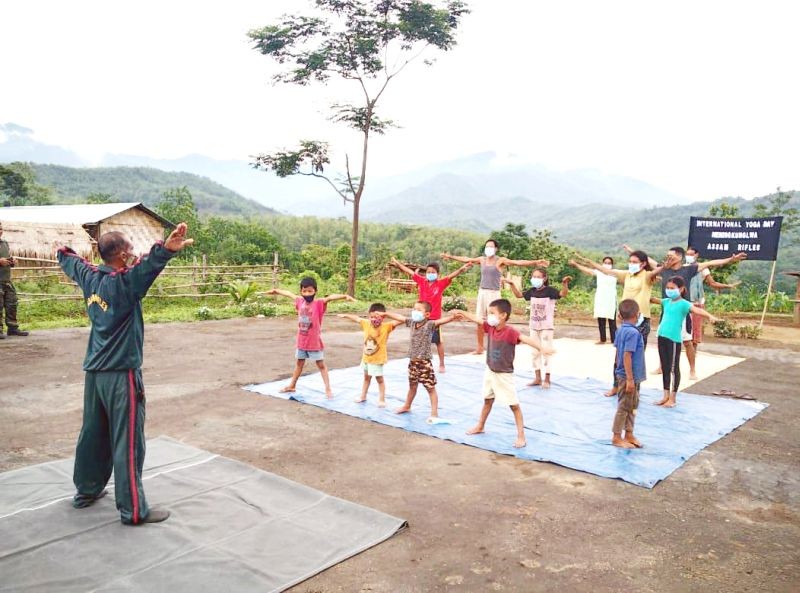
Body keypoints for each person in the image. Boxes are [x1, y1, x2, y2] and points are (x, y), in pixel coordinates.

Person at [56, 222, 194, 525]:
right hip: (121, 375)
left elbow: (66, 256)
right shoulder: (125, 284)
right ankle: (133, 510)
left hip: (94, 374)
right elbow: (148, 267)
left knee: (92, 434)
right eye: (129, 249)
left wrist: (91, 257)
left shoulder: (89, 278)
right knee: (128, 442)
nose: (134, 253)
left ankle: (87, 491)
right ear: (120, 255)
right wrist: (166, 250)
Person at [456, 299, 554, 448]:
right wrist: (463, 313)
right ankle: (480, 426)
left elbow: (525, 339)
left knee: (514, 406)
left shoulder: (510, 332)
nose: (489, 316)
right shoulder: (491, 327)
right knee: (487, 400)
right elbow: (477, 319)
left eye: (492, 313)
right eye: (489, 313)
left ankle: (521, 436)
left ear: (503, 315)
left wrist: (542, 348)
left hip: (504, 374)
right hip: (490, 371)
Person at [650, 247, 746, 379]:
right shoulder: (664, 268)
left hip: (683, 311)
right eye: (667, 256)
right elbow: (648, 261)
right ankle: (661, 366)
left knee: (688, 342)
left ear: (679, 257)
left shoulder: (688, 269)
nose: (668, 259)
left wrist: (731, 259)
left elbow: (711, 263)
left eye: (671, 256)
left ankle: (692, 370)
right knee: (662, 339)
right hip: (666, 311)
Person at [573, 249, 658, 396]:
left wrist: (637, 252)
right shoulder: (626, 274)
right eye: (630, 261)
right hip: (625, 321)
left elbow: (659, 268)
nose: (631, 264)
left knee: (635, 357)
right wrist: (588, 261)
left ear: (643, 264)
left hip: (641, 321)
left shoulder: (647, 276)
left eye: (635, 262)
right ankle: (616, 386)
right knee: (619, 355)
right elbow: (605, 271)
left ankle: (634, 390)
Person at [441, 239, 548, 355]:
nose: (489, 249)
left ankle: (496, 347)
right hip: (482, 292)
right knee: (479, 321)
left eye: (491, 246)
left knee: (496, 321)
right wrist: (450, 256)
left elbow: (517, 262)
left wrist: (535, 262)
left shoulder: (500, 261)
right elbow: (466, 259)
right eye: (487, 246)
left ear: (496, 249)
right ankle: (480, 347)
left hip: (494, 293)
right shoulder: (482, 260)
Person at [267, 278, 355, 398]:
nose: (307, 294)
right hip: (301, 341)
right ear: (301, 291)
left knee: (321, 365)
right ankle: (292, 386)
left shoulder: (319, 303)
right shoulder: (299, 301)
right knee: (299, 364)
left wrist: (345, 296)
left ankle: (328, 389)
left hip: (314, 343)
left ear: (315, 291)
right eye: (304, 291)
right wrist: (276, 291)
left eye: (310, 291)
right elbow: (289, 294)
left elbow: (330, 297)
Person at [389, 256, 473, 373]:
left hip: (434, 318)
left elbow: (451, 276)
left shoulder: (441, 284)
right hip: (420, 317)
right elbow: (409, 271)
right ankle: (417, 360)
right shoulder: (422, 281)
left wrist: (461, 269)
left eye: (433, 272)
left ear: (438, 274)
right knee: (419, 340)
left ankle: (442, 364)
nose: (430, 274)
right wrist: (398, 263)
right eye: (428, 272)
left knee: (438, 341)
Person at [380, 301, 459, 422]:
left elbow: (440, 321)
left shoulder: (429, 324)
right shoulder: (411, 323)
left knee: (430, 388)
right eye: (414, 309)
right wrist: (386, 313)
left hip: (424, 363)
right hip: (413, 362)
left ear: (427, 314)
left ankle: (434, 413)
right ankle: (407, 406)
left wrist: (453, 317)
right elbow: (400, 317)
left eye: (418, 310)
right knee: (412, 386)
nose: (415, 312)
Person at [651, 276, 720, 408]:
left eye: (673, 288)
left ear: (681, 289)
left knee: (673, 368)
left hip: (673, 340)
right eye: (668, 288)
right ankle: (665, 395)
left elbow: (697, 310)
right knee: (665, 367)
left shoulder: (684, 304)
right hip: (662, 337)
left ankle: (673, 398)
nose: (669, 290)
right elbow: (653, 299)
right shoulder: (666, 302)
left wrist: (710, 316)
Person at [503, 268, 571, 389]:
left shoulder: (550, 291)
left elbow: (563, 294)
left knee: (546, 351)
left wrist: (565, 284)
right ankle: (537, 378)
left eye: (538, 277)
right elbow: (519, 295)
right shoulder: (532, 291)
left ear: (544, 278)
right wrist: (512, 284)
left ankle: (547, 379)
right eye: (534, 276)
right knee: (534, 352)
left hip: (546, 327)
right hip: (534, 326)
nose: (535, 279)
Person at [338, 302, 404, 407]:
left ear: (383, 317)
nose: (374, 319)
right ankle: (363, 396)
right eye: (372, 317)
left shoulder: (387, 326)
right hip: (366, 358)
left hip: (378, 359)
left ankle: (382, 399)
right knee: (366, 378)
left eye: (377, 317)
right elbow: (356, 318)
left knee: (379, 380)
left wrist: (387, 314)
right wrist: (346, 315)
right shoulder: (366, 323)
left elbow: (402, 319)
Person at [685, 245, 741, 364]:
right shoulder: (682, 267)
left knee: (694, 335)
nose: (689, 256)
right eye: (687, 254)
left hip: (696, 303)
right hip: (683, 302)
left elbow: (712, 283)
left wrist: (728, 286)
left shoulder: (702, 268)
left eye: (691, 254)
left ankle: (692, 363)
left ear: (696, 255)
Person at [611, 299, 646, 449]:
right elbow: (626, 355)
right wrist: (630, 379)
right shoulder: (632, 332)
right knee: (624, 406)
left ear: (620, 315)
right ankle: (617, 436)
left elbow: (618, 352)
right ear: (637, 315)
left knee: (632, 405)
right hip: (628, 376)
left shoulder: (621, 330)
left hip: (630, 375)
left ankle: (629, 433)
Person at [569, 256, 618, 345]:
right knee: (601, 319)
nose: (607, 265)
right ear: (602, 264)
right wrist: (576, 265)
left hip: (611, 299)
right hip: (601, 298)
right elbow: (587, 270)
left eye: (609, 263)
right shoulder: (599, 272)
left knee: (612, 321)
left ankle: (614, 340)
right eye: (605, 263)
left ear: (612, 264)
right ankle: (602, 339)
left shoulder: (614, 273)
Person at [0, 221, 29, 339]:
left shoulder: (5, 243)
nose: (0, 231)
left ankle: (12, 328)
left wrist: (12, 262)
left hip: (6, 280)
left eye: (1, 228)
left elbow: (6, 260)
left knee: (12, 303)